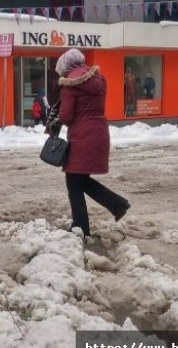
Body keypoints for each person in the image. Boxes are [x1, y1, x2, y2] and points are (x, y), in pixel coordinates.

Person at [47, 48, 130, 243]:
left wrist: (57, 116)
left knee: (74, 181)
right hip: (100, 131)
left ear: (66, 68)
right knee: (79, 179)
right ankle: (116, 205)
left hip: (82, 135)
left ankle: (81, 227)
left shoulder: (70, 85)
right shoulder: (98, 79)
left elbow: (66, 116)